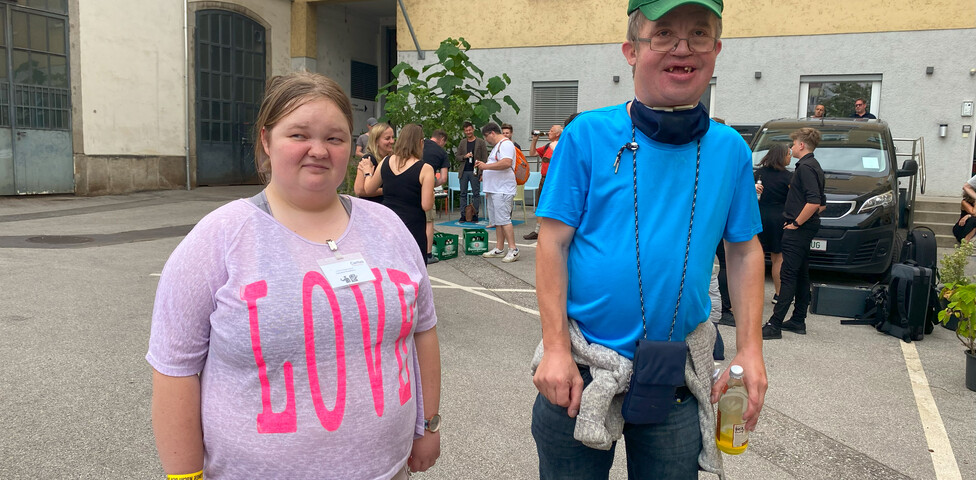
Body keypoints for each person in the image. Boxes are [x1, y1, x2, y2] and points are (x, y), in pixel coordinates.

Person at [147, 72, 441, 480]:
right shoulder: (220, 238)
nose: (318, 150)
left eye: (334, 138)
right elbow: (174, 369)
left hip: (387, 471)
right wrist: (185, 476)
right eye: (299, 135)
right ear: (267, 141)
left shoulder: (388, 227)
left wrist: (428, 424)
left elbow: (423, 330)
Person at [531, 1, 767, 478]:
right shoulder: (587, 135)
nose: (682, 48)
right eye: (663, 35)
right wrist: (554, 348)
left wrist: (750, 350)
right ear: (631, 51)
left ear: (716, 51)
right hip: (581, 371)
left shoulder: (731, 151)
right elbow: (551, 243)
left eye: (699, 34)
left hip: (677, 379)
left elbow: (744, 251)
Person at [763, 127, 826, 339]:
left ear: (801, 145)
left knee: (788, 274)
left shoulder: (806, 168)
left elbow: (815, 202)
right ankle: (798, 319)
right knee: (801, 273)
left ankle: (775, 324)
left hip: (798, 228)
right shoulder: (813, 166)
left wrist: (796, 223)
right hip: (804, 226)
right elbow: (821, 203)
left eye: (793, 144)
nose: (791, 148)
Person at [361, 124, 436, 263]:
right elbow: (426, 205)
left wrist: (367, 172)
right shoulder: (425, 169)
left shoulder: (386, 161)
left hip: (388, 223)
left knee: (389, 266)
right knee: (413, 268)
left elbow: (369, 189)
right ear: (420, 143)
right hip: (412, 225)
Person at [475, 122, 520, 263]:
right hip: (496, 189)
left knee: (504, 220)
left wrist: (486, 166)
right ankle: (499, 248)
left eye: (486, 137)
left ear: (492, 133)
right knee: (498, 221)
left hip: (502, 189)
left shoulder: (505, 144)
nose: (486, 140)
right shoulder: (498, 146)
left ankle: (513, 249)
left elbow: (507, 162)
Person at [754, 143, 793, 304]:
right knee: (778, 258)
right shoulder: (789, 176)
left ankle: (754, 294)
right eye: (788, 154)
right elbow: (793, 198)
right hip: (779, 217)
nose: (790, 157)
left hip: (759, 216)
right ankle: (779, 294)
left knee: (757, 256)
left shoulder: (758, 173)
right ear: (781, 156)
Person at [524, 124, 562, 240]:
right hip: (543, 179)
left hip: (554, 180)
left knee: (553, 205)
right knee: (541, 205)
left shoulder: (561, 146)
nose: (548, 132)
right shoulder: (547, 147)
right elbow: (532, 153)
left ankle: (554, 231)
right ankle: (537, 231)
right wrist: (534, 140)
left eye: (551, 130)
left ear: (558, 134)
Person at [422, 129, 450, 263]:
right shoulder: (442, 153)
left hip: (409, 185)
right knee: (428, 222)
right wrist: (431, 185)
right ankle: (427, 255)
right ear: (442, 140)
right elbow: (443, 178)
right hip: (426, 191)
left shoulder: (419, 144)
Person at [353, 122, 394, 204]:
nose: (392, 141)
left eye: (393, 137)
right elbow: (359, 190)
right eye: (387, 138)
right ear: (376, 141)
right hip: (370, 208)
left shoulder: (392, 159)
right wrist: (389, 190)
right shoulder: (368, 159)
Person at [455, 121, 488, 222]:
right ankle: (463, 215)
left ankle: (475, 214)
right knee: (463, 193)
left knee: (476, 194)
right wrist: (465, 156)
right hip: (464, 171)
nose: (468, 132)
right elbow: (457, 157)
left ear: (473, 129)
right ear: (464, 132)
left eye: (470, 130)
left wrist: (482, 173)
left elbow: (485, 158)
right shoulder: (462, 142)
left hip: (475, 171)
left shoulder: (481, 142)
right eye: (466, 131)